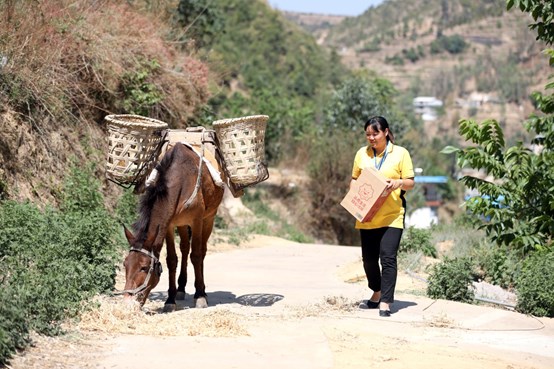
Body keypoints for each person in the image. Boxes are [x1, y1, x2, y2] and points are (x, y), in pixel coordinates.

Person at [350, 116, 415, 317]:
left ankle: (386, 301)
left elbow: (410, 182)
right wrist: (354, 197)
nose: (371, 138)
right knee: (369, 260)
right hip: (367, 216)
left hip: (392, 215)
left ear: (386, 132)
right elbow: (354, 179)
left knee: (388, 257)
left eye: (375, 133)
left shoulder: (401, 153)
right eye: (368, 134)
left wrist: (397, 183)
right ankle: (376, 291)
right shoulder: (362, 154)